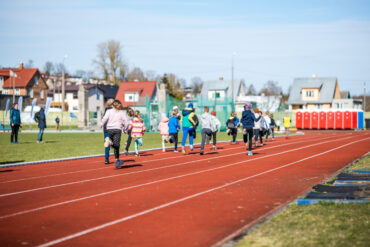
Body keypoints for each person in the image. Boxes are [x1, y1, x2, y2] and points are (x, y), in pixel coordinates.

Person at [101, 100, 129, 168]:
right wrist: (125, 129)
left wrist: (101, 124)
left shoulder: (108, 111)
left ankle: (109, 141)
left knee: (114, 144)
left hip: (109, 129)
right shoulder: (121, 113)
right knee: (117, 145)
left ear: (112, 105)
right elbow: (126, 122)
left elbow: (105, 118)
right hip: (117, 129)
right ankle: (117, 160)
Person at [102, 99, 114, 164]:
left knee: (107, 144)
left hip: (106, 129)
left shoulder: (106, 110)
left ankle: (106, 159)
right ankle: (111, 143)